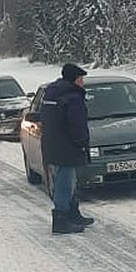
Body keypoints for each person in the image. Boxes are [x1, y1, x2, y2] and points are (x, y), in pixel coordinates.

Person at [40, 62, 94, 234]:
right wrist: (82, 141)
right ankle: (62, 218)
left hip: (52, 144)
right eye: (80, 79)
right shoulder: (72, 97)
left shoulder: (52, 93)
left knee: (65, 180)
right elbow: (77, 124)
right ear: (75, 79)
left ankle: (72, 213)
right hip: (67, 146)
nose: (82, 82)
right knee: (66, 182)